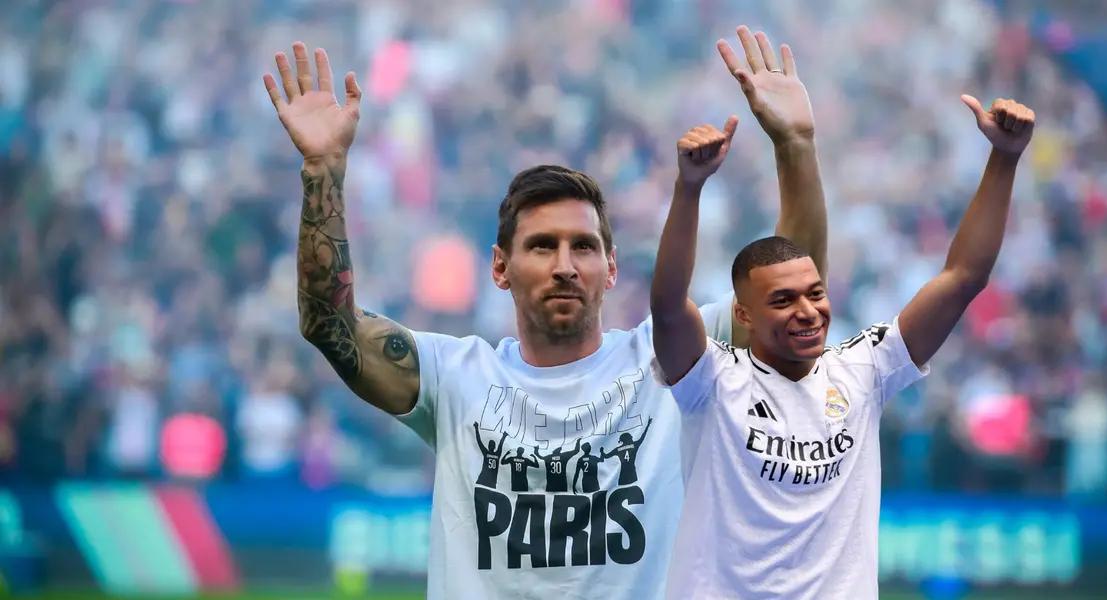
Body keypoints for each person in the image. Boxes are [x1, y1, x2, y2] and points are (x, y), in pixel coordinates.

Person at [262, 26, 828, 598]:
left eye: (582, 246)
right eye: (541, 245)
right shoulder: (453, 377)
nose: (564, 265)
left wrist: (796, 144)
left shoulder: (673, 363)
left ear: (610, 268)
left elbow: (794, 291)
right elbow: (328, 325)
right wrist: (323, 169)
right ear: (500, 268)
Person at [650, 95, 1035, 598]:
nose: (808, 310)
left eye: (816, 293)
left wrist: (1004, 157)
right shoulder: (712, 381)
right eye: (783, 300)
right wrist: (689, 189)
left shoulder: (863, 369)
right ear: (742, 315)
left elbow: (962, 278)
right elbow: (669, 306)